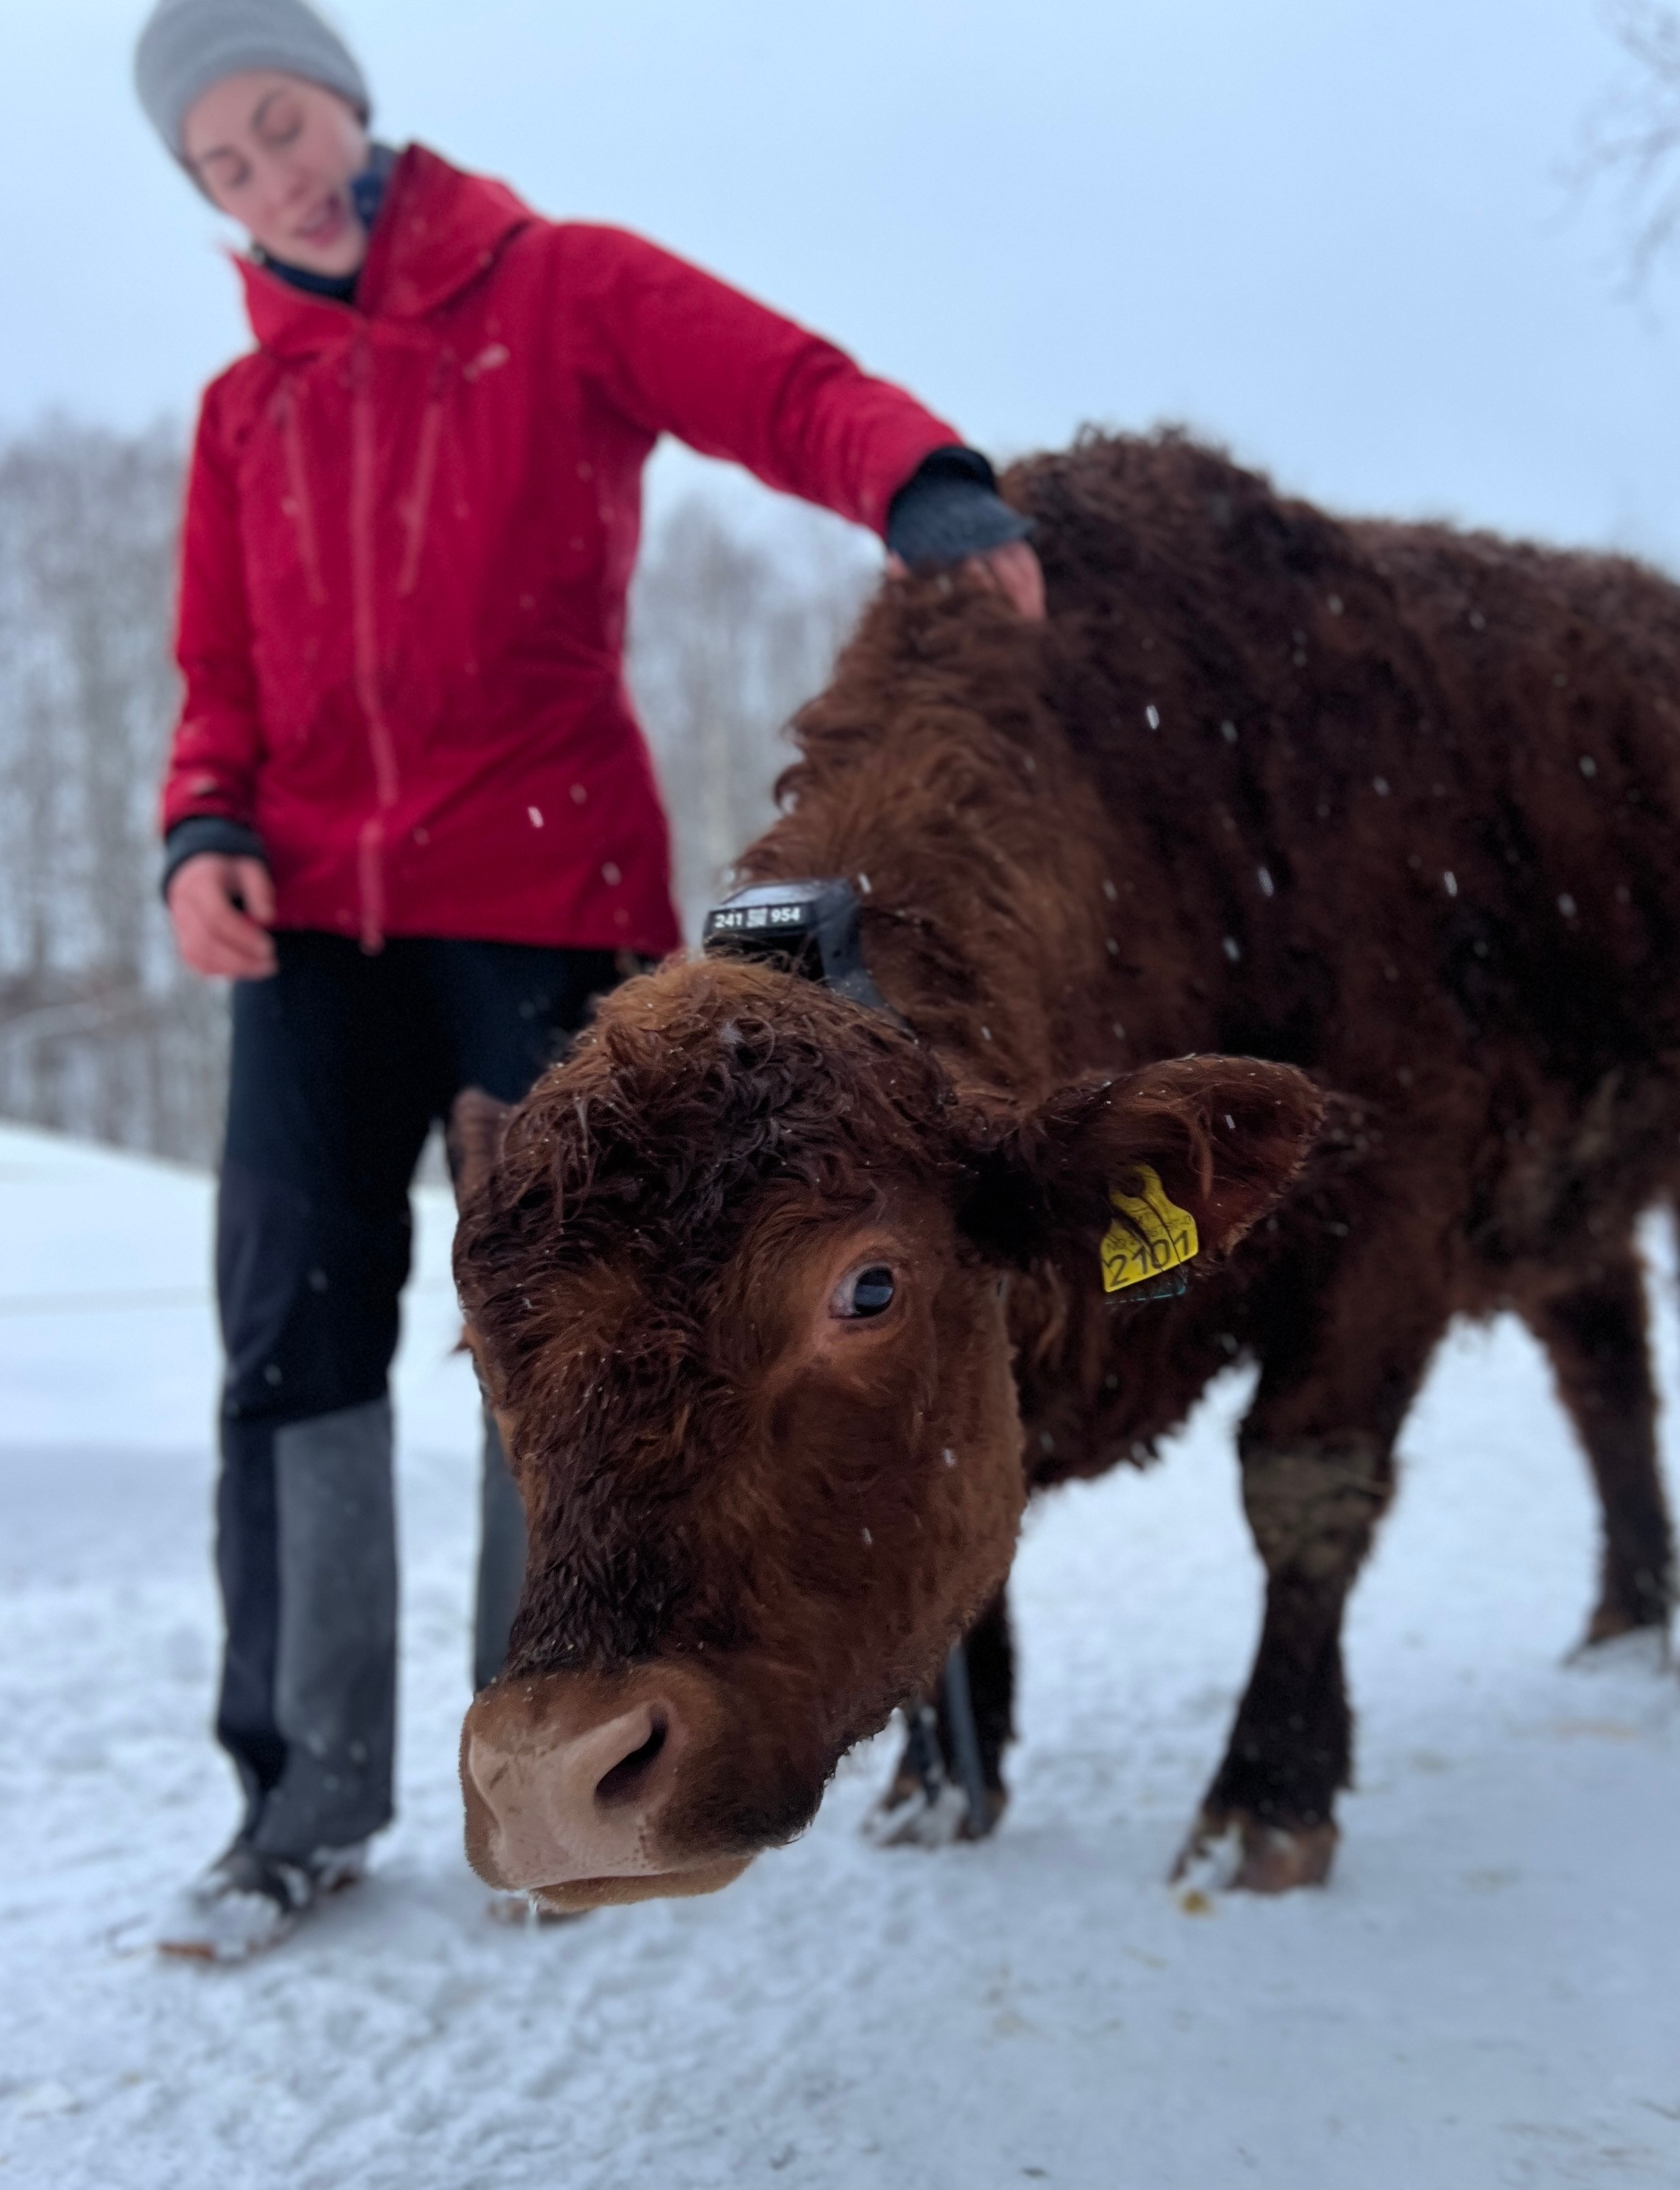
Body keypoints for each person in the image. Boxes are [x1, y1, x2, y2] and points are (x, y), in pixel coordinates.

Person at [133, 0, 1044, 1960]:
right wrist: (201, 829)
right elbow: (217, 678)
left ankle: (570, 1771)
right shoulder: (242, 413)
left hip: (542, 900)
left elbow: (776, 383)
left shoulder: (550, 288)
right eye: (223, 162)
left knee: (588, 1332)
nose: (270, 174)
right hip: (307, 934)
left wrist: (921, 481)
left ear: (345, 105)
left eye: (281, 121)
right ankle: (299, 1805)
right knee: (288, 1345)